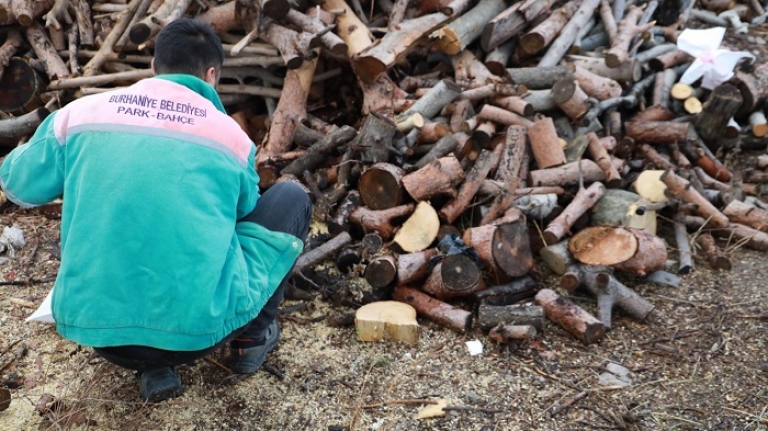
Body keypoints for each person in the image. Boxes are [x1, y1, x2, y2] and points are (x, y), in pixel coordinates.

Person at [0, 19, 311, 402]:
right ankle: (249, 340)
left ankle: (151, 365)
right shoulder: (231, 139)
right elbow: (242, 215)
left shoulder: (81, 114)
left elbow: (16, 187)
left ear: (153, 68)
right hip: (194, 336)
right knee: (290, 199)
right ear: (211, 75)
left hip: (97, 329)